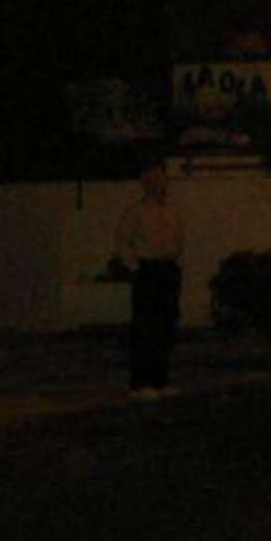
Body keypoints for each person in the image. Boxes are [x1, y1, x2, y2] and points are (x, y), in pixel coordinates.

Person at [114, 165, 187, 400]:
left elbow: (178, 240)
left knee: (166, 325)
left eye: (161, 179)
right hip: (148, 269)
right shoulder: (135, 212)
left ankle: (160, 380)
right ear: (145, 183)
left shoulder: (172, 211)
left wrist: (175, 263)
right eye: (153, 180)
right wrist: (136, 268)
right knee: (145, 326)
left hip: (167, 268)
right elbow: (123, 242)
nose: (159, 184)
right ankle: (140, 383)